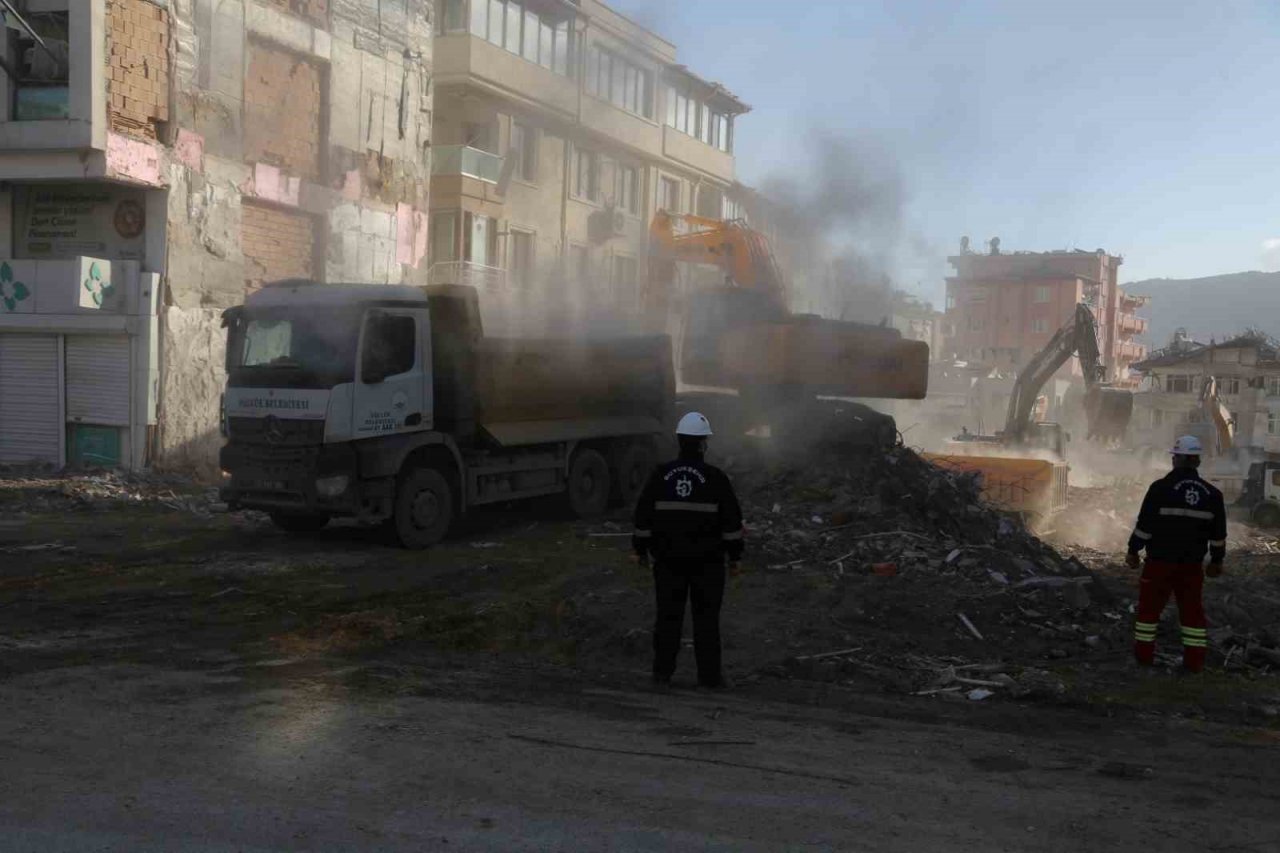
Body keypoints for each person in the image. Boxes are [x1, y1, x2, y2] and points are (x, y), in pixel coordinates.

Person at [633, 412, 744, 689]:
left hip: (668, 562)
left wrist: (641, 551)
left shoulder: (660, 476)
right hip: (708, 564)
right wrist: (735, 558)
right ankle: (709, 678)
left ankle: (662, 674)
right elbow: (732, 524)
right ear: (703, 444)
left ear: (679, 441)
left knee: (668, 618)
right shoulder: (716, 478)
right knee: (706, 621)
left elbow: (642, 518)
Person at [1125, 435, 1226, 673]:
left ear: (1177, 459)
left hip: (1159, 562)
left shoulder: (1160, 488)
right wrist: (1217, 560)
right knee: (1192, 614)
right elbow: (1219, 534)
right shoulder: (1212, 495)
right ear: (1197, 462)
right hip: (1191, 566)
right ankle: (1194, 663)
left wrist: (1133, 550)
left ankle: (1143, 659)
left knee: (1149, 611)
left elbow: (1145, 525)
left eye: (1174, 456)